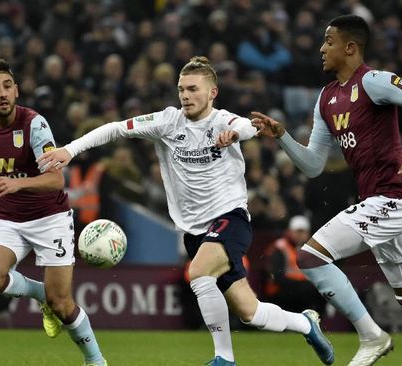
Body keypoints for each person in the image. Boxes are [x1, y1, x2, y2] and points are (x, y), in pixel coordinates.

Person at [37, 56, 334, 366]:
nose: (185, 96)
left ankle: (224, 358)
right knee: (251, 313)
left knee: (198, 272)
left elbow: (245, 126)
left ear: (212, 93)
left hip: (230, 219)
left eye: (193, 89)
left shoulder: (223, 121)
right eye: (181, 89)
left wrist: (237, 134)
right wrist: (69, 150)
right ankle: (306, 324)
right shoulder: (167, 121)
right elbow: (114, 129)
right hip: (194, 231)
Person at [251, 15, 402, 366]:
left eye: (329, 41)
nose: (322, 48)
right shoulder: (327, 98)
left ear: (350, 47)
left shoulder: (374, 82)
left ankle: (371, 336)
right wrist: (282, 137)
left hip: (394, 198)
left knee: (309, 257)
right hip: (382, 202)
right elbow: (312, 165)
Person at [0, 59, 107, 366]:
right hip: (10, 218)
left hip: (50, 219)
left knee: (62, 304)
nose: (2, 93)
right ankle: (39, 293)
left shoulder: (34, 124)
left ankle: (95, 360)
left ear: (16, 91)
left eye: (7, 86)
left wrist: (18, 185)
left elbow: (56, 179)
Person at [263, 215, 325, 315]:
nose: (300, 235)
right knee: (309, 291)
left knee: (322, 291)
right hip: (281, 290)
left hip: (301, 289)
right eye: (297, 232)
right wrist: (304, 285)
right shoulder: (280, 248)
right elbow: (278, 276)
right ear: (289, 231)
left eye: (303, 232)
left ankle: (317, 323)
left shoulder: (311, 250)